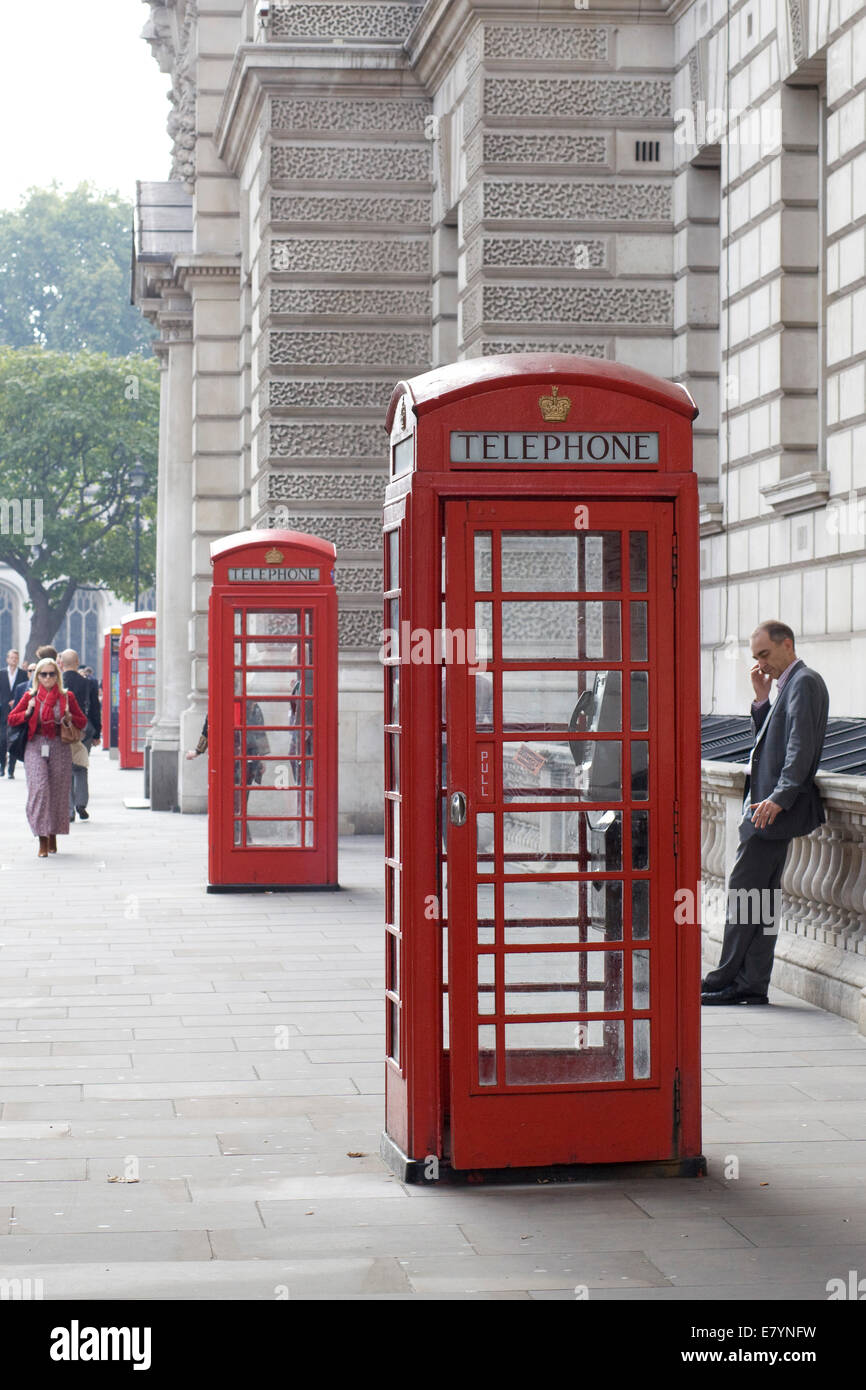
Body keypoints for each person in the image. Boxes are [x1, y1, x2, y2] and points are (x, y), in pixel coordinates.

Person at [701, 621, 829, 1006]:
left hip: (768, 811)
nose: (760, 664)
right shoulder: (789, 685)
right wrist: (761, 701)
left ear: (786, 644)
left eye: (765, 654)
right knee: (764, 901)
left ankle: (724, 979)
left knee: (744, 895)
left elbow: (799, 747)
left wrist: (779, 797)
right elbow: (772, 742)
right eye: (756, 657)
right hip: (767, 808)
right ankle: (752, 983)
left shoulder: (804, 682)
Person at [8, 657, 88, 856]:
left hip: (59, 745)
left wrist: (70, 717)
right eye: (43, 674)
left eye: (52, 674)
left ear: (57, 676)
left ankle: (53, 833)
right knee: (40, 789)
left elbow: (82, 720)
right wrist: (27, 712)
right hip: (35, 745)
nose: (48, 678)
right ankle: (42, 838)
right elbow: (11, 719)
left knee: (58, 792)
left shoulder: (66, 696)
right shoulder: (30, 696)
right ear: (37, 677)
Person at [59, 650, 101, 821]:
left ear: (62, 663)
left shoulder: (58, 684)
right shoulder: (89, 683)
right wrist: (97, 733)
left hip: (63, 730)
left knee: (66, 770)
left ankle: (69, 810)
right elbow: (95, 711)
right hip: (84, 730)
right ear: (77, 662)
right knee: (81, 766)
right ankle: (81, 804)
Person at [0, 649, 28, 777]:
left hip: (17, 711)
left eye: (16, 658)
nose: (14, 660)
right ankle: (2, 766)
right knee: (2, 740)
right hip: (2, 711)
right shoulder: (1, 673)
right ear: (7, 659)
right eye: (11, 658)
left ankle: (11, 769)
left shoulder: (23, 674)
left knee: (13, 739)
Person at [6, 663, 32, 779]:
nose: (33, 672)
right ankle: (10, 769)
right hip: (22, 725)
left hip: (35, 732)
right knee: (15, 746)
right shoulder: (22, 687)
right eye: (30, 670)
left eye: (35, 670)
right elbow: (15, 712)